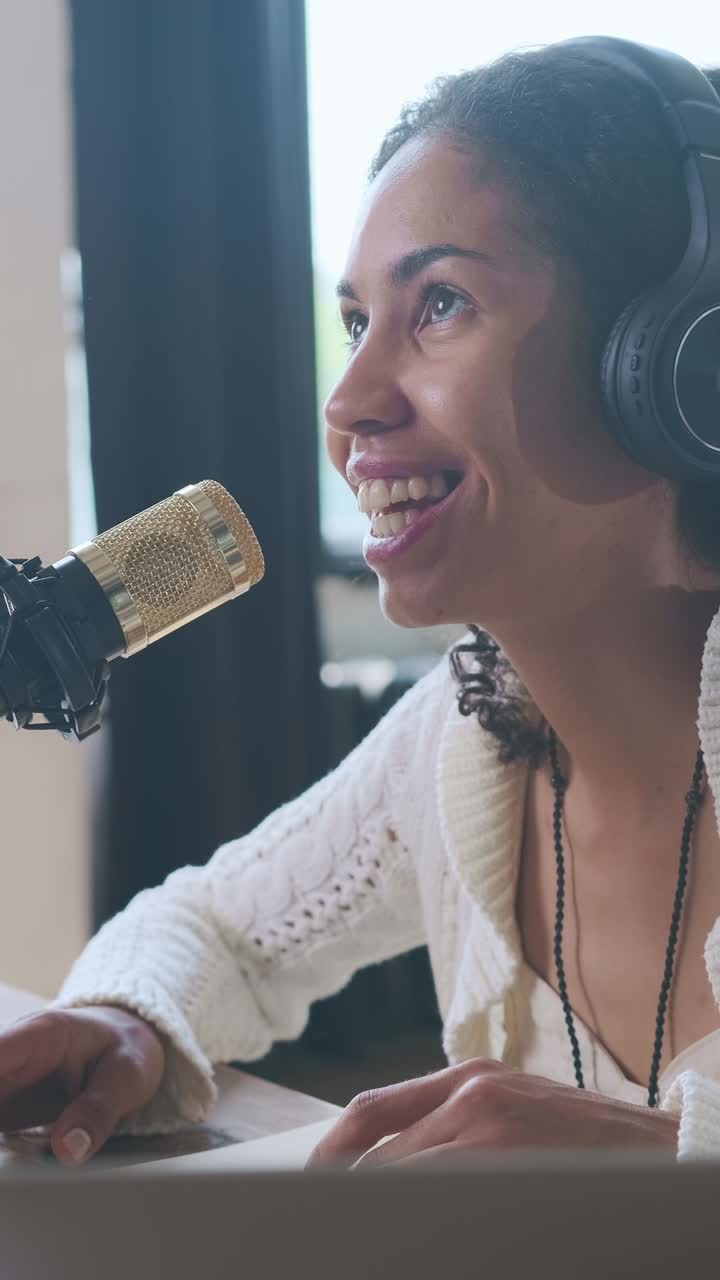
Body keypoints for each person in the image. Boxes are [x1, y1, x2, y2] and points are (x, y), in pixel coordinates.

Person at [2, 36, 720, 1170]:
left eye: (439, 304)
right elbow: (215, 929)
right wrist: (128, 1018)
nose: (347, 403)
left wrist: (667, 1170)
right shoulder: (463, 741)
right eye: (354, 322)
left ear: (680, 370)